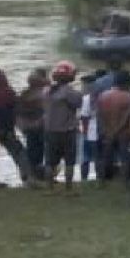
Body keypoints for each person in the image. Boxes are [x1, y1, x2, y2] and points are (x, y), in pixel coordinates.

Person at [0, 67, 34, 187]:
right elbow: (16, 110)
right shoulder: (9, 92)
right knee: (19, 153)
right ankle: (27, 177)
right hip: (7, 129)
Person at [44, 61, 83, 193]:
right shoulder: (71, 93)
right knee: (69, 161)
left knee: (50, 161)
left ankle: (49, 188)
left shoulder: (47, 91)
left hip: (50, 130)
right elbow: (78, 104)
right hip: (67, 131)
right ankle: (68, 189)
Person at [97, 70, 130, 182]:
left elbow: (100, 114)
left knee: (105, 158)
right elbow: (128, 116)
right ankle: (124, 181)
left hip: (106, 130)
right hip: (124, 132)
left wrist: (106, 130)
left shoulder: (103, 95)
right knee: (125, 158)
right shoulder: (129, 97)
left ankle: (102, 180)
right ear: (126, 83)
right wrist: (117, 130)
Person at [16, 70, 49, 181]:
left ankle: (33, 175)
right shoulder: (44, 93)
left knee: (33, 151)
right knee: (42, 151)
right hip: (41, 126)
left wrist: (22, 126)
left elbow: (19, 112)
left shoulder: (25, 94)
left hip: (30, 127)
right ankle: (40, 174)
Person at [77, 73, 102, 182]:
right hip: (99, 131)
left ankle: (84, 179)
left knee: (85, 158)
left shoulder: (86, 99)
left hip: (88, 132)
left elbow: (84, 117)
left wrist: (85, 133)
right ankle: (99, 179)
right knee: (98, 158)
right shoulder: (101, 96)